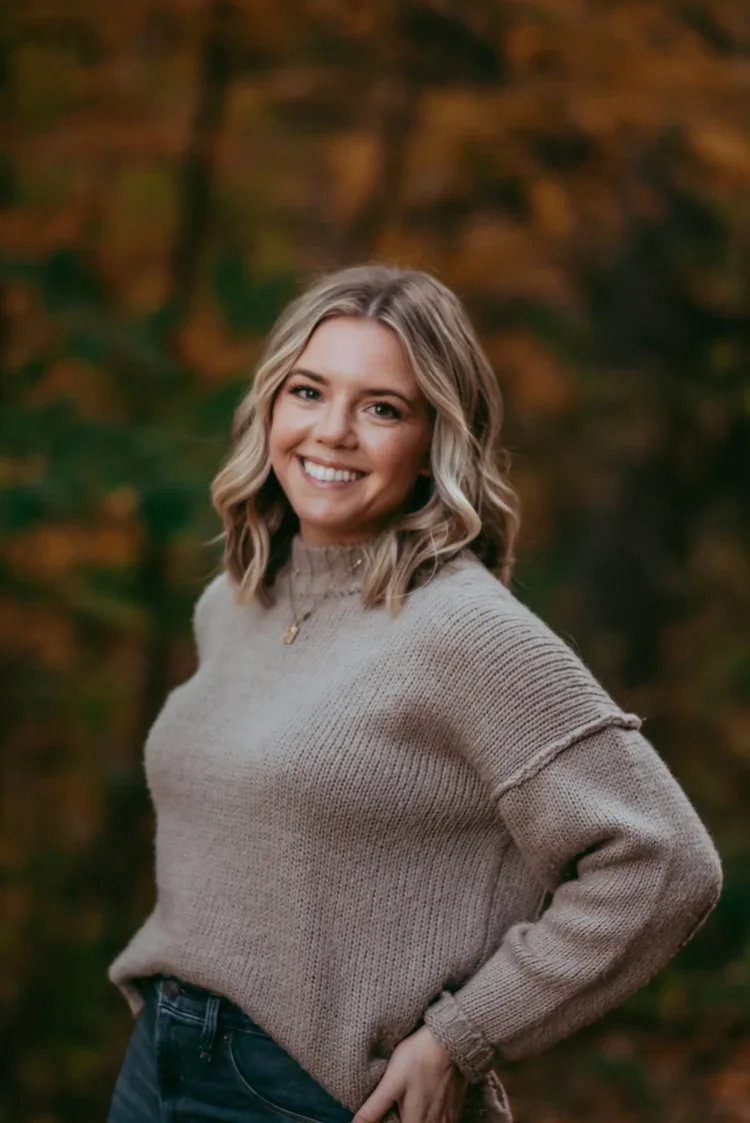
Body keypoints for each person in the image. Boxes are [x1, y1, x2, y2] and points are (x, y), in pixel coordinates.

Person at [107, 264, 722, 1123]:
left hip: (310, 1095)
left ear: (437, 439)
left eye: (382, 408)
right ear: (270, 406)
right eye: (309, 391)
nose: (332, 431)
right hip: (158, 1066)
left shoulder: (464, 628)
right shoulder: (238, 601)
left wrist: (463, 1034)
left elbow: (665, 861)